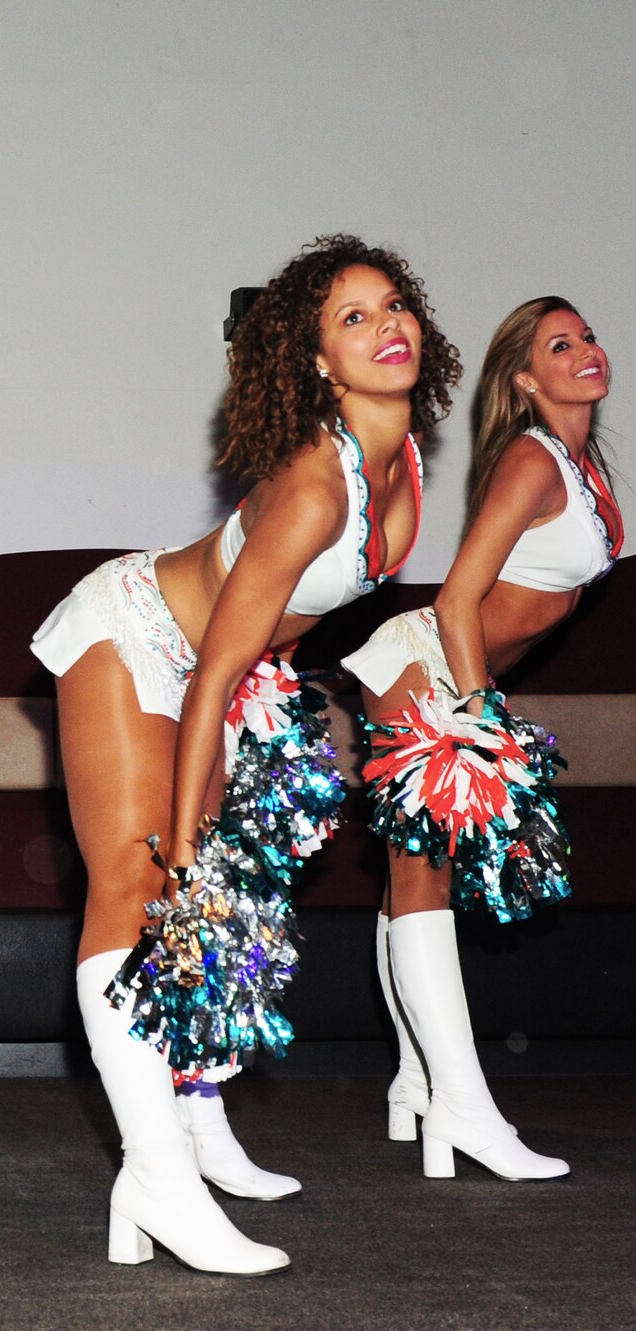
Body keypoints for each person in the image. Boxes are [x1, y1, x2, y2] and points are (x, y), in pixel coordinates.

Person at [32, 235, 459, 1273]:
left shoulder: (392, 457)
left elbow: (269, 638)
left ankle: (190, 1135)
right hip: (135, 635)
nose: (384, 325)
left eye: (391, 304)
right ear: (315, 360)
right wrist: (184, 838)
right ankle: (155, 1173)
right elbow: (211, 667)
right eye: (350, 317)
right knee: (138, 884)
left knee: (227, 906)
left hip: (225, 667)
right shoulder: (316, 484)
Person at [346, 296, 616, 1181]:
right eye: (558, 345)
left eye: (586, 336)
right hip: (432, 662)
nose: (584, 351)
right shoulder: (535, 459)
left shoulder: (584, 468)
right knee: (422, 879)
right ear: (526, 381)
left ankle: (416, 1086)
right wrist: (479, 715)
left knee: (413, 882)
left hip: (455, 673)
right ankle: (462, 1107)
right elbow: (460, 598)